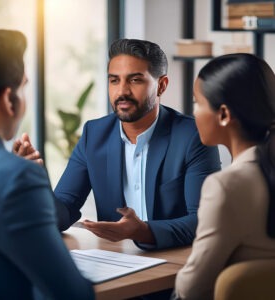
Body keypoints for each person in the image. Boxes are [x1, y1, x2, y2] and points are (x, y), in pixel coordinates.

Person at [15, 38, 221, 251]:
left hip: (175, 262)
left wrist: (142, 231)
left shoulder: (192, 136)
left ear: (161, 85)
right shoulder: (93, 135)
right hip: (116, 260)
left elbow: (203, 221)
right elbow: (61, 215)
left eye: (135, 80)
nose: (122, 91)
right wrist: (34, 180)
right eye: (114, 80)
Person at [0, 27, 94, 300]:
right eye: (24, 86)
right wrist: (13, 173)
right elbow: (72, 294)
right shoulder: (14, 179)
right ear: (8, 100)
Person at [174, 53, 275, 300]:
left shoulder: (227, 186)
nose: (193, 113)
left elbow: (191, 289)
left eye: (197, 103)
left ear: (223, 114)